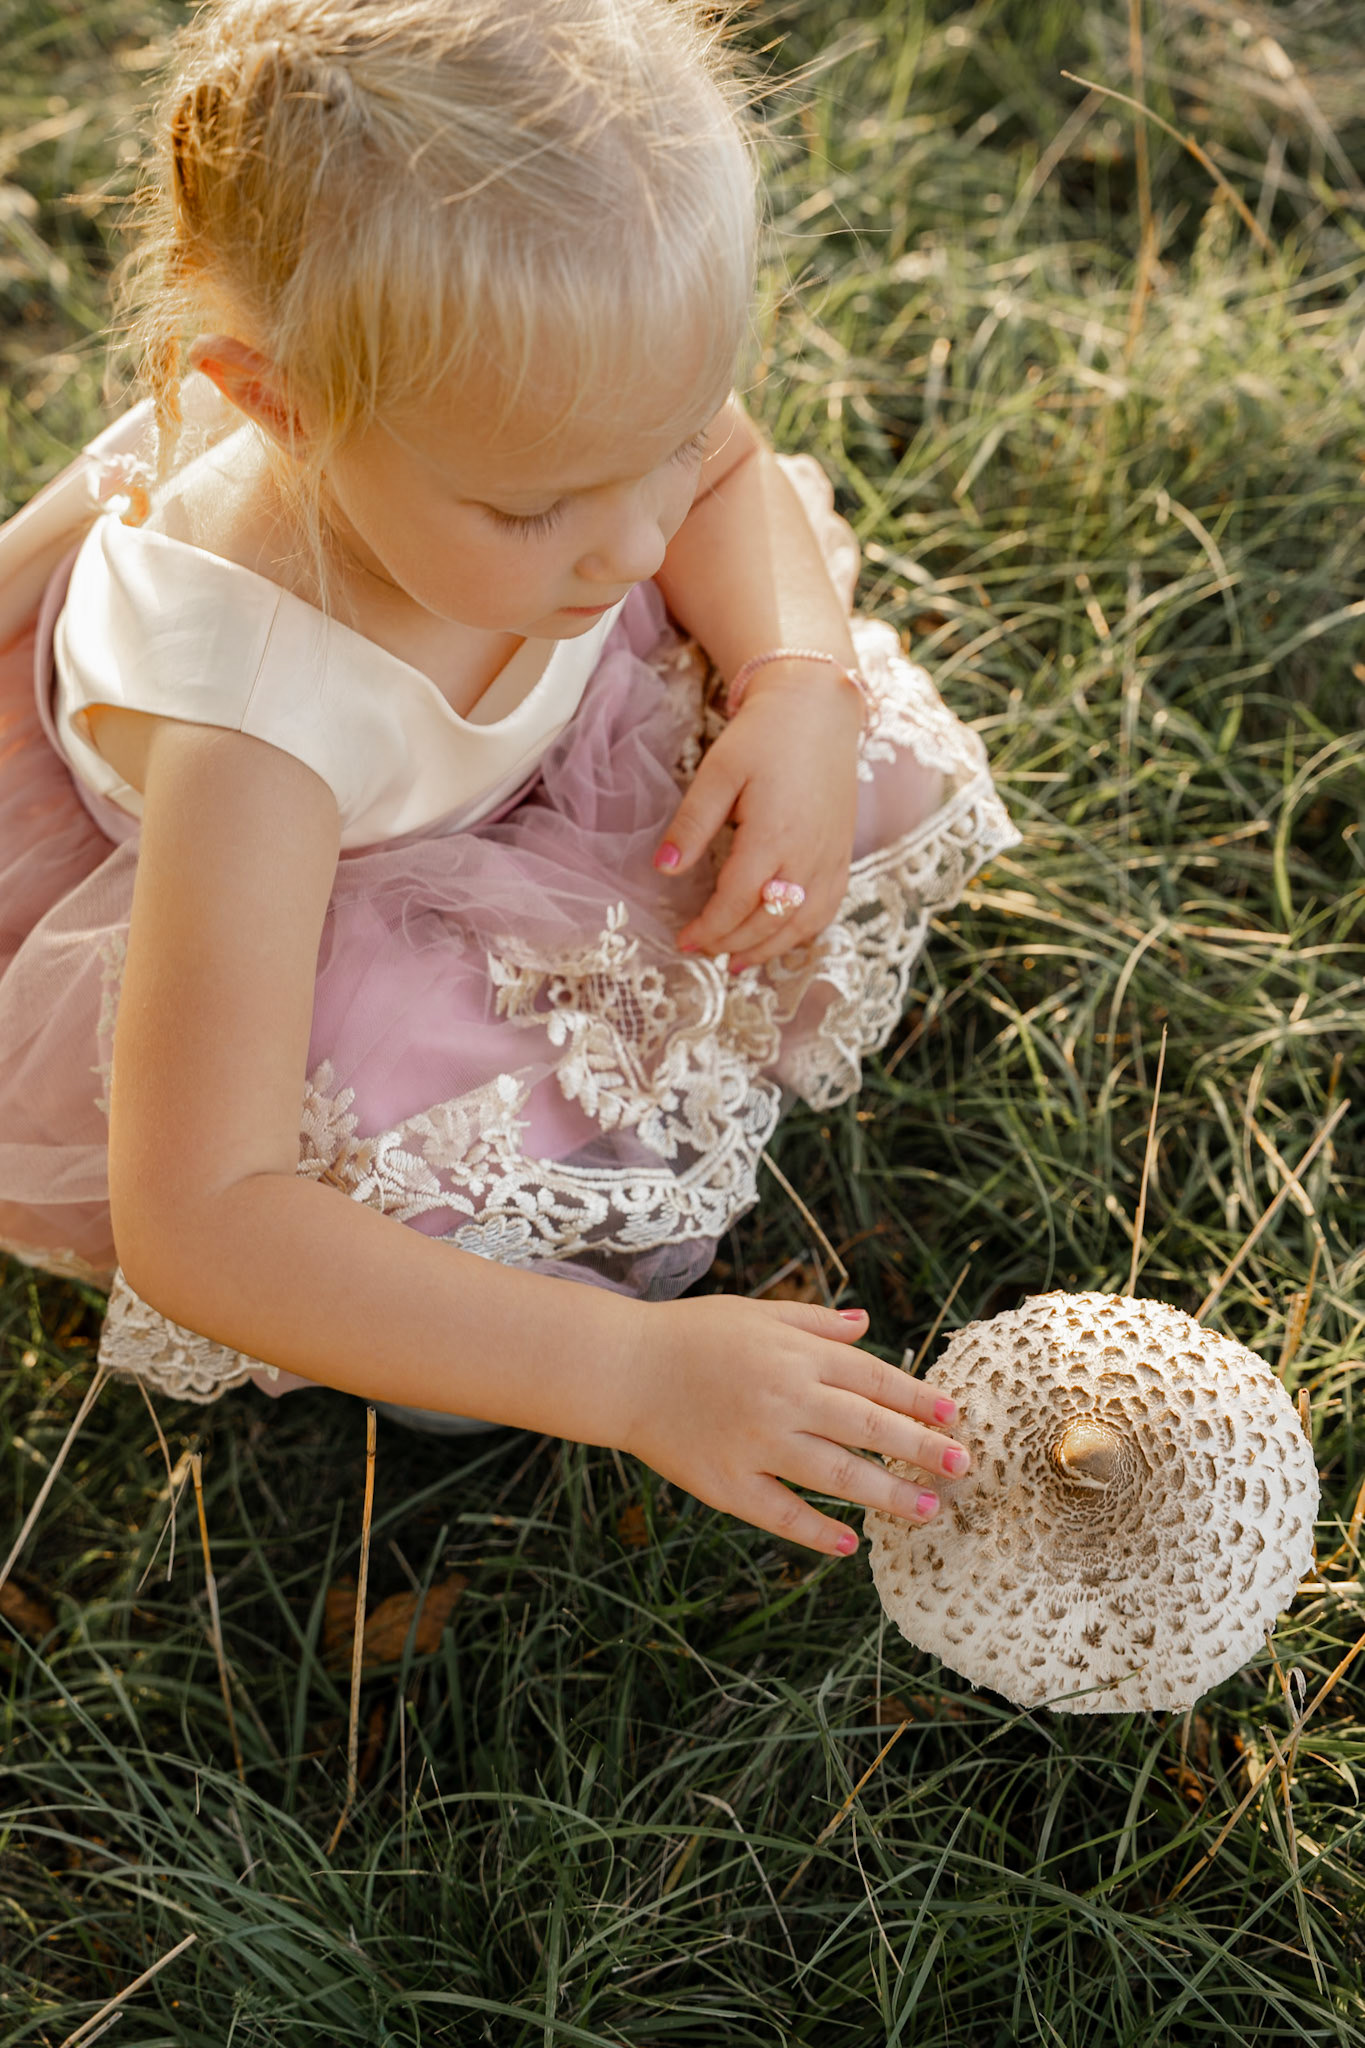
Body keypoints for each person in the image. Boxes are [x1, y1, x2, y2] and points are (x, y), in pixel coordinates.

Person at [0, 0, 1018, 1558]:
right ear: (282, 409)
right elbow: (203, 1215)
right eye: (538, 504)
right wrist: (625, 1374)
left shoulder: (546, 430)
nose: (632, 546)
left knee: (851, 766)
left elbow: (729, 472)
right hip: (307, 891)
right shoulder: (251, 730)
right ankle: (479, 1325)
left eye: (654, 444)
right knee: (424, 1181)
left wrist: (797, 680)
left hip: (530, 737)